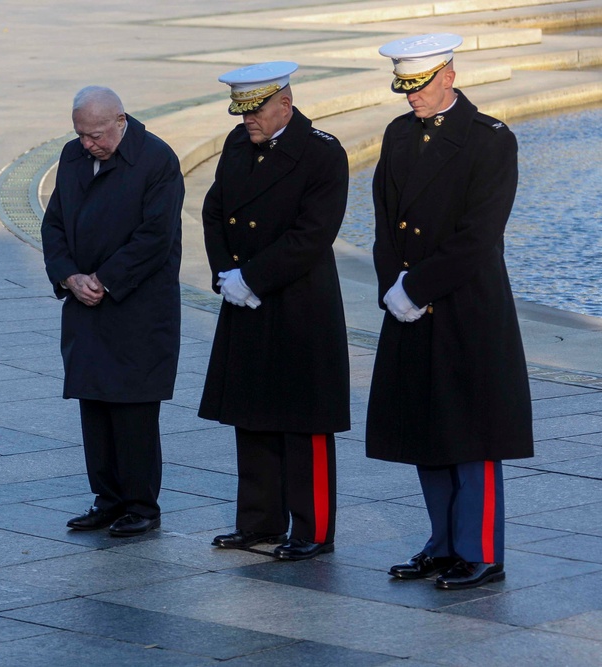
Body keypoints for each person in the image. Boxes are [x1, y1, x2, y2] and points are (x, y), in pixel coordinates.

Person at [366, 34, 534, 589]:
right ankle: (441, 545)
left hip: (467, 308)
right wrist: (393, 285)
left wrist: (416, 286)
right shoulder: (396, 134)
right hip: (409, 305)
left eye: (418, 85)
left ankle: (480, 551)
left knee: (473, 435)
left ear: (448, 76)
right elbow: (385, 221)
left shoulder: (490, 141)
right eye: (404, 86)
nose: (409, 96)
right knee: (425, 430)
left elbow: (479, 236)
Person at [198, 62, 350, 561]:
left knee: (304, 422)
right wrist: (226, 274)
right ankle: (259, 522)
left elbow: (311, 235)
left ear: (285, 103)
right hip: (244, 297)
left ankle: (313, 529)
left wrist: (252, 277)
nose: (247, 121)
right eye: (241, 111)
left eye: (256, 110)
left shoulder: (323, 153)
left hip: (299, 304)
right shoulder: (238, 144)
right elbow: (215, 210)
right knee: (252, 414)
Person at [41, 86, 184, 537]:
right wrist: (69, 276)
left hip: (137, 305)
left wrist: (105, 279)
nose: (88, 144)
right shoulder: (72, 156)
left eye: (96, 135)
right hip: (85, 302)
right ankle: (107, 499)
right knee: (94, 405)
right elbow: (54, 223)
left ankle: (141, 505)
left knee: (133, 409)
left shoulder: (157, 160)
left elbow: (155, 238)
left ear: (120, 121)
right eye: (81, 135)